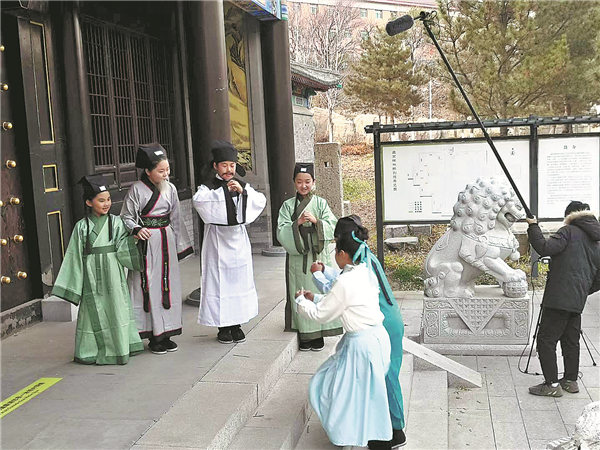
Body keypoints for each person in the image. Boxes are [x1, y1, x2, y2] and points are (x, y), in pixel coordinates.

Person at [311, 215, 407, 448]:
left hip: (382, 325)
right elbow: (343, 279)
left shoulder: (362, 264)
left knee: (386, 380)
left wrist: (317, 277)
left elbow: (340, 292)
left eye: (337, 242)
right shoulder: (364, 255)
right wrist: (327, 271)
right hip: (384, 321)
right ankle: (381, 430)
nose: (336, 248)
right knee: (378, 380)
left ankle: (395, 431)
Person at [294, 225, 392, 449]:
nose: (335, 257)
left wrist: (301, 301)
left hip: (361, 346)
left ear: (342, 253)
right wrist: (315, 298)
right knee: (368, 395)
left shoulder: (345, 281)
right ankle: (370, 437)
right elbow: (345, 303)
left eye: (336, 252)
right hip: (377, 338)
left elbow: (321, 315)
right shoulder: (364, 271)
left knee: (336, 391)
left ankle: (347, 437)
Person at [52, 174, 144, 364]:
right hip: (91, 275)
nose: (106, 204)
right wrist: (74, 285)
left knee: (117, 308)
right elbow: (74, 257)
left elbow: (123, 248)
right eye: (101, 200)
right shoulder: (81, 227)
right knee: (91, 312)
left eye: (108, 199)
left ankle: (120, 347)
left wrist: (133, 240)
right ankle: (91, 351)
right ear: (89, 202)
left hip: (113, 273)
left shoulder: (116, 222)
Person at [121, 143, 193, 355]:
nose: (166, 174)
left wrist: (180, 245)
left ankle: (166, 333)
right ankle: (152, 334)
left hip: (165, 240)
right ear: (148, 171)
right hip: (146, 243)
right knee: (146, 286)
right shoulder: (136, 190)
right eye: (161, 171)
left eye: (167, 170)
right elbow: (126, 216)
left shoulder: (170, 189)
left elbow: (176, 218)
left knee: (167, 285)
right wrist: (136, 228)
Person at [192, 141, 266, 344]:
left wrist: (243, 193)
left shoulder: (241, 185)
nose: (228, 170)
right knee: (219, 283)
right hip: (217, 240)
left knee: (239, 281)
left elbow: (259, 200)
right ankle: (223, 327)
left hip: (238, 239)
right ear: (215, 166)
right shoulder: (208, 187)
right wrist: (223, 192)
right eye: (224, 165)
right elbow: (200, 201)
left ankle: (237, 324)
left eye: (232, 165)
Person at [526, 200, 600, 397]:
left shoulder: (568, 232)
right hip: (576, 300)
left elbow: (544, 247)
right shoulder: (596, 240)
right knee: (570, 340)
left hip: (558, 298)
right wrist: (583, 290)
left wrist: (533, 226)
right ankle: (570, 381)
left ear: (569, 216)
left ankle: (551, 385)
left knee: (546, 340)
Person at [277, 162, 341, 351]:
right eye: (299, 182)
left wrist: (317, 222)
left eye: (307, 181)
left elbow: (333, 224)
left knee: (319, 291)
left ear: (314, 181)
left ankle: (318, 333)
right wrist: (296, 223)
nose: (303, 185)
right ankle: (305, 333)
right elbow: (281, 230)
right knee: (300, 291)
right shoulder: (288, 206)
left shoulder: (321, 203)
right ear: (294, 182)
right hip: (298, 259)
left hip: (318, 256)